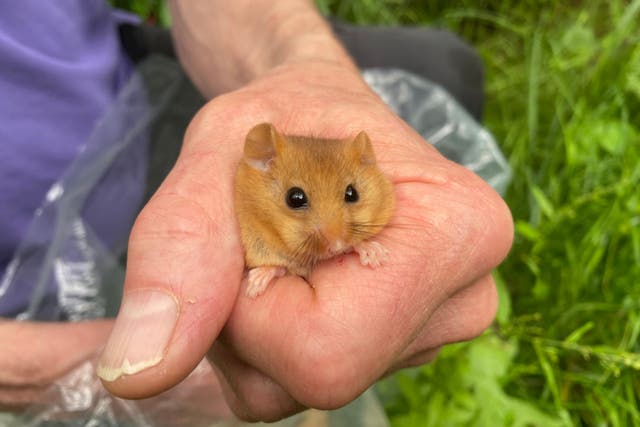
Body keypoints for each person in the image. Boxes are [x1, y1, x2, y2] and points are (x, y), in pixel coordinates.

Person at [0, 0, 513, 421]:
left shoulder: (352, 185)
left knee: (453, 71)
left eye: (350, 198)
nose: (333, 230)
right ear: (262, 165)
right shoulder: (255, 191)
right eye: (298, 201)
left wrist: (310, 64)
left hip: (123, 81)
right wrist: (66, 369)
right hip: (24, 297)